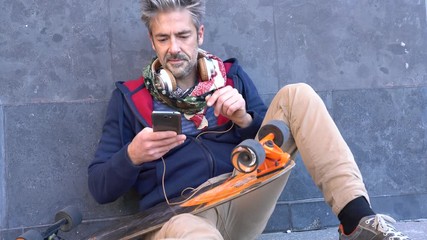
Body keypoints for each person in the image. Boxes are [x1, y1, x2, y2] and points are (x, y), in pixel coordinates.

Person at [88, 0, 410, 239]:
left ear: (199, 34)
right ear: (151, 41)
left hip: (243, 192)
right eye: (163, 38)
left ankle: (355, 222)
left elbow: (271, 138)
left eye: (183, 35)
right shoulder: (129, 99)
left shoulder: (231, 77)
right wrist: (132, 155)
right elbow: (100, 187)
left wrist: (243, 119)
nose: (174, 48)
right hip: (180, 216)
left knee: (297, 95)